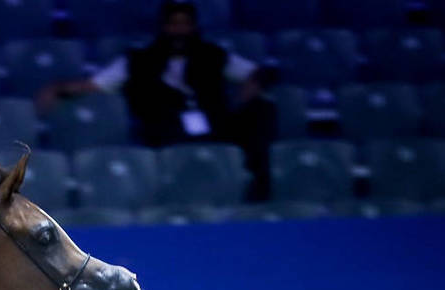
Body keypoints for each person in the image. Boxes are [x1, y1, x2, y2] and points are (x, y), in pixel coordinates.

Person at [35, 1, 277, 197]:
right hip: (163, 132)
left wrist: (250, 88)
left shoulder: (213, 55)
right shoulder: (137, 60)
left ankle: (258, 188)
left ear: (193, 27)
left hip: (217, 128)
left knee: (261, 110)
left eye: (185, 24)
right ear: (163, 27)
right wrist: (58, 88)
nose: (179, 31)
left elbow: (258, 72)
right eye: (174, 24)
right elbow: (94, 84)